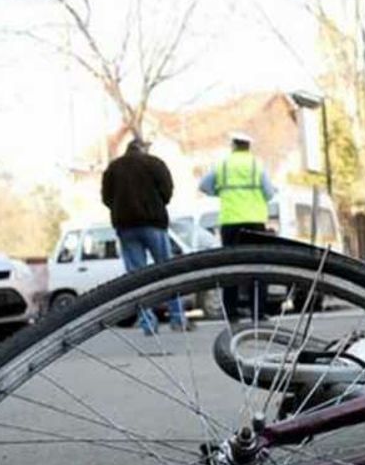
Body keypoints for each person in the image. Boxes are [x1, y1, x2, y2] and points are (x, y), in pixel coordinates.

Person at [101, 137, 191, 334]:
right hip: (153, 223)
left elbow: (106, 198)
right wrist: (155, 204)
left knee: (137, 277)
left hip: (126, 226)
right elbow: (167, 191)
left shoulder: (113, 168)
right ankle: (177, 318)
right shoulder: (155, 164)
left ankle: (147, 322)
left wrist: (120, 209)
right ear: (143, 149)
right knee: (166, 271)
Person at [199, 131, 276, 320]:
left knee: (231, 266)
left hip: (230, 221)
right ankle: (258, 312)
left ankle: (231, 313)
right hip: (255, 222)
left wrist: (220, 193)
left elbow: (203, 185)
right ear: (249, 146)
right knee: (257, 267)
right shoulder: (256, 165)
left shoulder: (222, 165)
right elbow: (269, 193)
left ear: (233, 145)